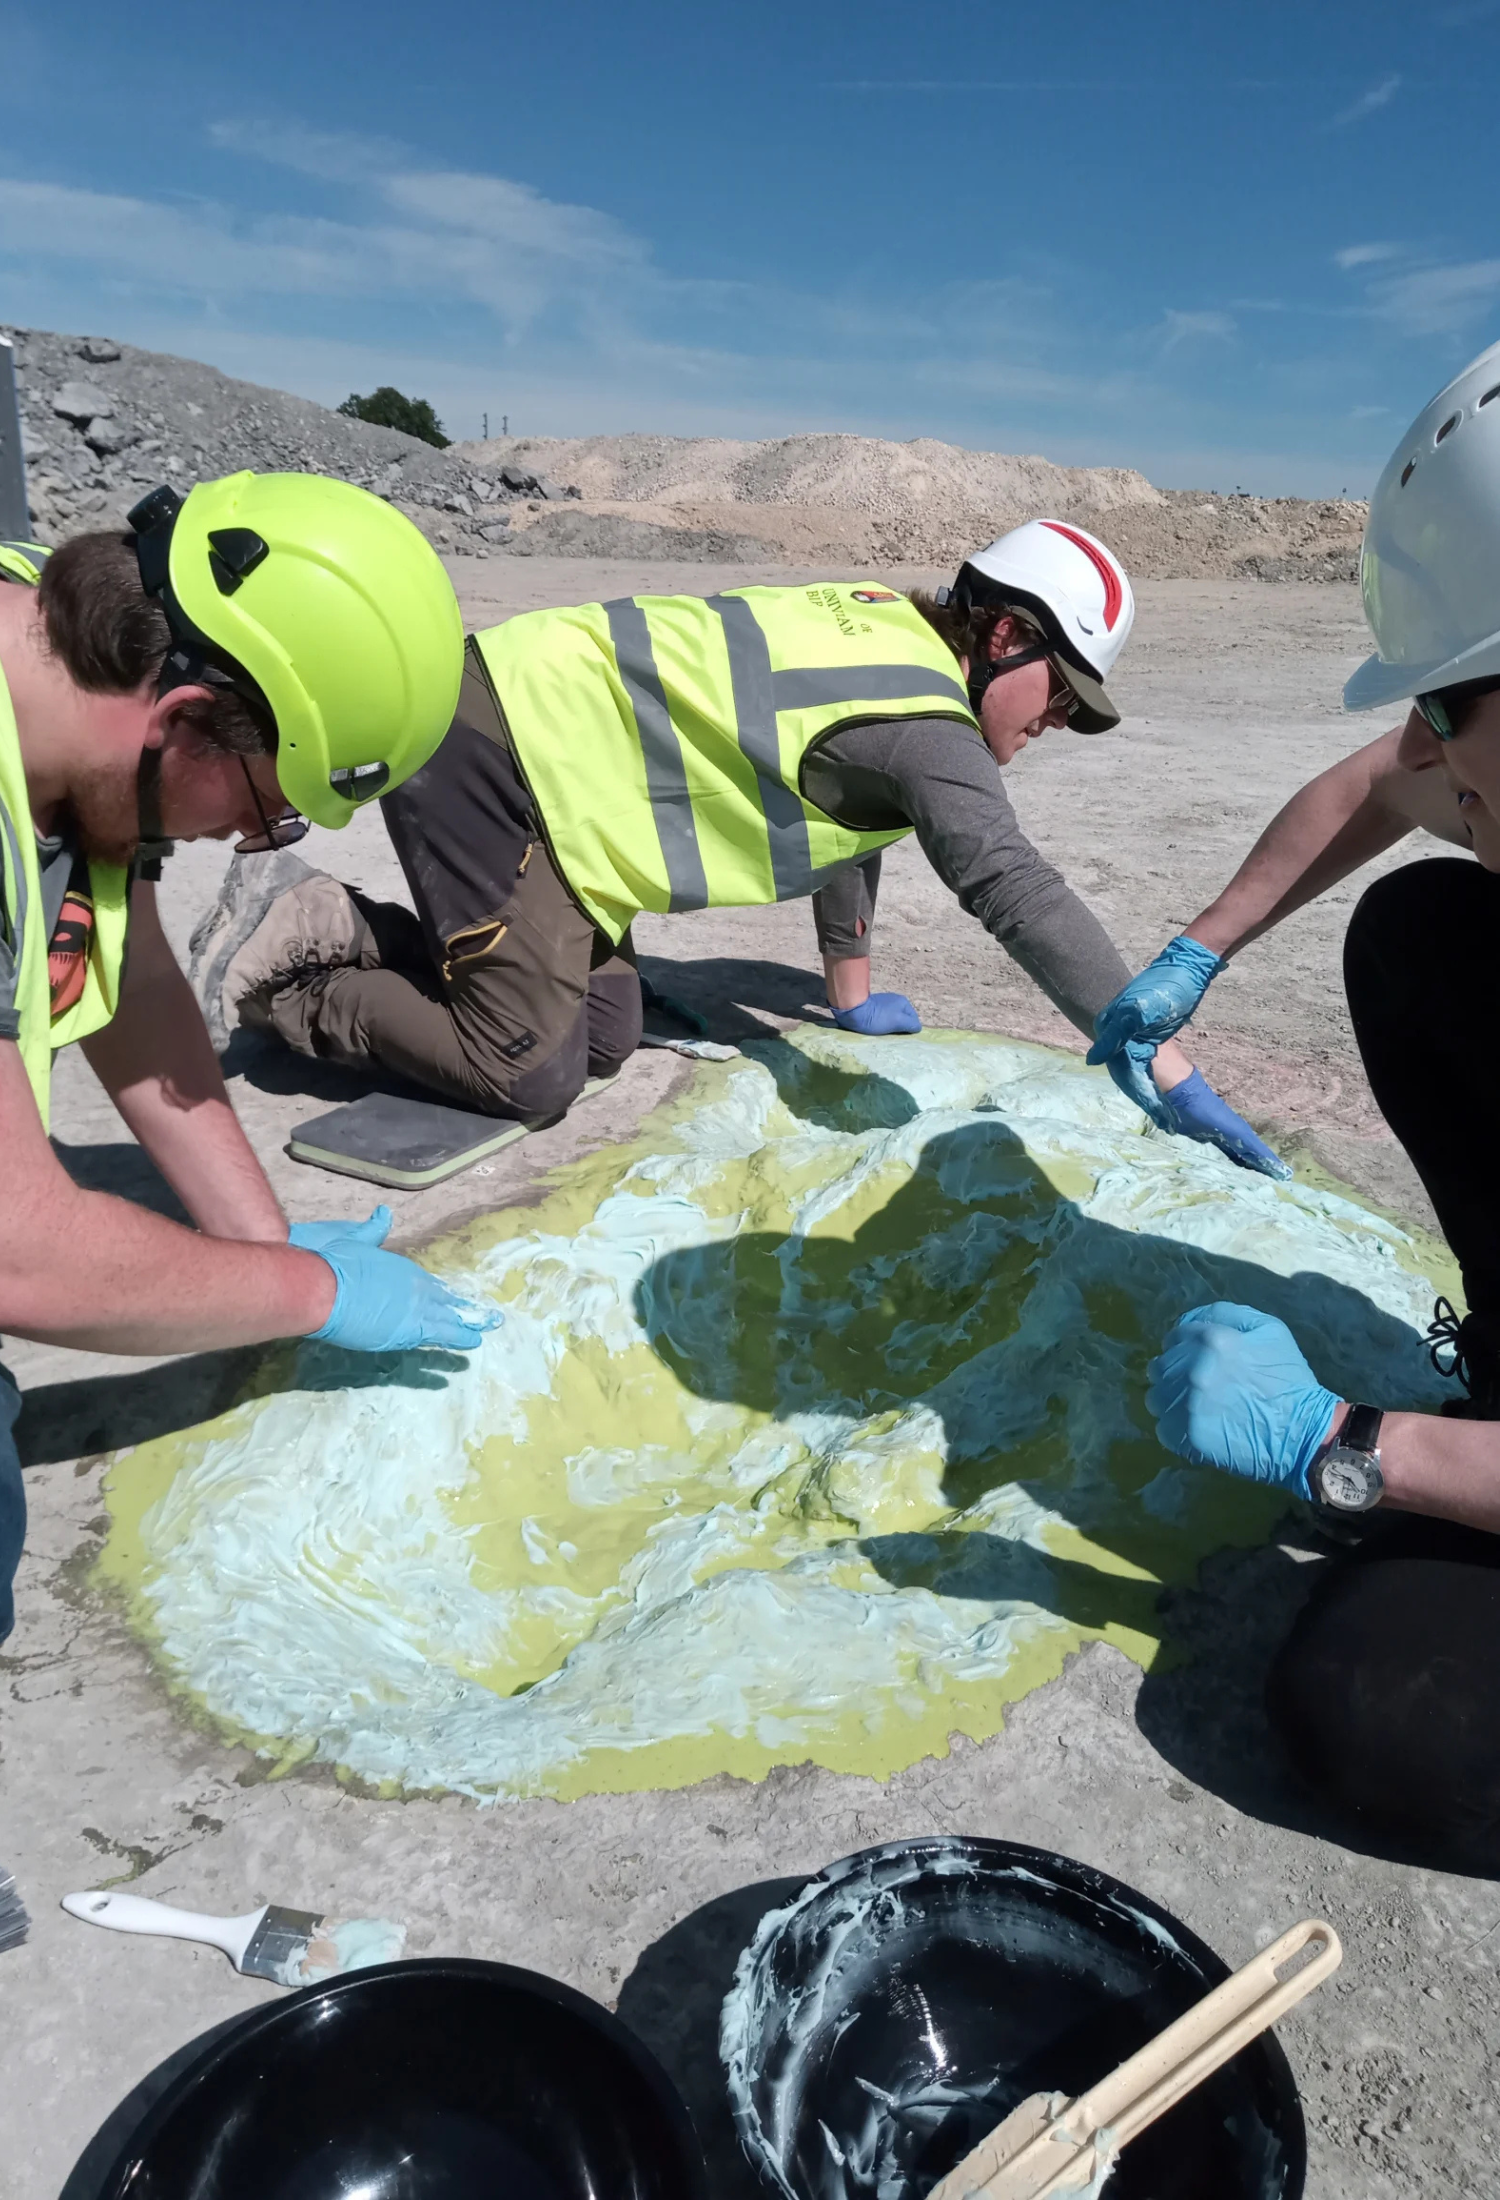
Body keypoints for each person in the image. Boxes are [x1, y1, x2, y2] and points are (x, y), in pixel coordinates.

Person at [222, 519, 1285, 1178]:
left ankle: (435, 953)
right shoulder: (930, 727)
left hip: (551, 785)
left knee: (604, 1039)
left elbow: (848, 817)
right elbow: (1011, 886)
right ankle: (302, 953)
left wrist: (851, 990)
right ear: (1008, 636)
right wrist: (1164, 1062)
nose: (1056, 720)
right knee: (529, 1074)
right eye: (1062, 692)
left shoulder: (891, 644)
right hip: (492, 752)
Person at [1089, 343, 1500, 1856]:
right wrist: (1199, 950)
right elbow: (1371, 785)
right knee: (1428, 933)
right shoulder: (1472, 751)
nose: (1434, 748)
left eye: (1457, 707)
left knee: (1379, 1709)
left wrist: (1347, 1441)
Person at [0, 471, 498, 1642]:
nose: (251, 841)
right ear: (181, 718)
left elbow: (134, 980)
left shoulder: (69, 680)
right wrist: (308, 1293)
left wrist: (255, 1237)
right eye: (266, 810)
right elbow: (21, 1253)